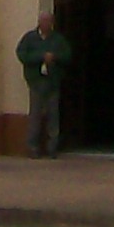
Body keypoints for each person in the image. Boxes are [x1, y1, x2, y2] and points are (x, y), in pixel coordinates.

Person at [16, 9, 72, 159]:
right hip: (36, 82)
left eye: (49, 21)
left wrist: (54, 57)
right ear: (39, 22)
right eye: (44, 21)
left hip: (53, 82)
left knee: (53, 115)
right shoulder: (30, 38)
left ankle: (52, 147)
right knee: (35, 115)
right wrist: (41, 57)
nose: (46, 24)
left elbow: (68, 55)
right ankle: (32, 147)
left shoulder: (58, 39)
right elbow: (22, 54)